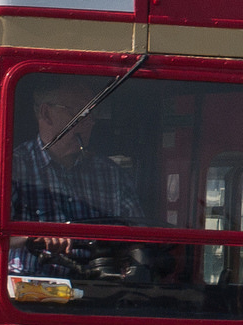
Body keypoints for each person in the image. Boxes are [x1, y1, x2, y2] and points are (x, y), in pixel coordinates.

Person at [8, 74, 143, 263]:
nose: (90, 121)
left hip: (101, 286)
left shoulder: (111, 175)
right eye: (81, 114)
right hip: (33, 287)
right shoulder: (14, 168)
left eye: (92, 113)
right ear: (46, 113)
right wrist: (34, 238)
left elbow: (139, 237)